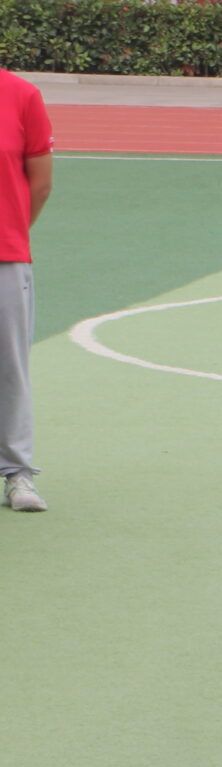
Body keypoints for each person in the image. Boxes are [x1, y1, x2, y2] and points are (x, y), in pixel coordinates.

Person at [0, 66, 52, 513]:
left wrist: (13, 231)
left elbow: (41, 182)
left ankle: (17, 473)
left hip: (5, 253)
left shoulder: (20, 95)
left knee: (10, 367)